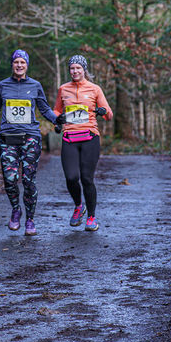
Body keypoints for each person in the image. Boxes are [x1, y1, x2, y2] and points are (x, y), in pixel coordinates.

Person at [0, 49, 59, 236]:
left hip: (30, 137)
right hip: (8, 138)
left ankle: (30, 219)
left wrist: (57, 120)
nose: (19, 65)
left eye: (22, 62)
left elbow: (44, 108)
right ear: (12, 65)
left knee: (28, 180)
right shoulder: (3, 85)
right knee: (10, 178)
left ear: (27, 65)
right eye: (16, 62)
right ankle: (15, 209)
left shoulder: (35, 85)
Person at [53, 54, 112, 232]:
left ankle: (91, 217)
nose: (75, 71)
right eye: (72, 68)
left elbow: (109, 114)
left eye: (78, 68)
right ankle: (79, 206)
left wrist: (103, 111)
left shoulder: (95, 89)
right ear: (69, 70)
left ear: (84, 70)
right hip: (69, 138)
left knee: (87, 179)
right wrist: (57, 120)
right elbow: (56, 110)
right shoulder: (63, 89)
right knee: (71, 177)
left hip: (90, 137)